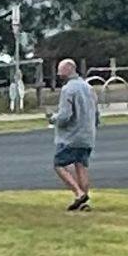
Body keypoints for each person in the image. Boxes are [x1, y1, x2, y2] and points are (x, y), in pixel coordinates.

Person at [47, 58, 98, 210]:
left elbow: (65, 116)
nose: (58, 74)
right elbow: (96, 110)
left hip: (71, 136)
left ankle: (79, 193)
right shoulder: (88, 87)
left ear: (69, 69)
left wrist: (53, 119)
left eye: (60, 70)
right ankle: (85, 203)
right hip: (87, 134)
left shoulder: (68, 89)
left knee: (59, 164)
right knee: (81, 165)